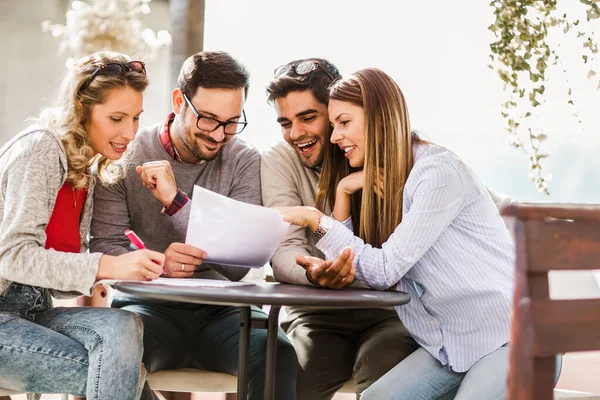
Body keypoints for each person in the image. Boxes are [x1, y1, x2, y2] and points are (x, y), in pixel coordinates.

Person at [277, 67, 562, 399]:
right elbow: (355, 268)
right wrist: (342, 193)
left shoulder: (436, 174)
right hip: (451, 348)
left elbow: (384, 270)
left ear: (380, 120)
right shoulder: (388, 180)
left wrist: (315, 218)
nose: (334, 136)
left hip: (513, 339)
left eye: (344, 123)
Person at [89, 51, 297, 400]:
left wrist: (176, 203)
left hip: (226, 313)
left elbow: (237, 266)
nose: (219, 135)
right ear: (178, 101)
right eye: (209, 120)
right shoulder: (126, 154)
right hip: (147, 307)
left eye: (232, 122)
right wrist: (156, 265)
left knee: (279, 354)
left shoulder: (244, 160)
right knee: (113, 352)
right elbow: (104, 246)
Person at [0, 51, 165, 399]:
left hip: (33, 312)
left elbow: (58, 287)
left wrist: (119, 271)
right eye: (116, 118)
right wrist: (107, 264)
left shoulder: (83, 170)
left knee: (123, 325)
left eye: (135, 118)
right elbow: (12, 257)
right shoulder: (40, 150)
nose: (130, 133)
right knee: (117, 372)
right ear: (81, 107)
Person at [262, 58, 418, 399]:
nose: (295, 134)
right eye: (285, 122)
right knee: (289, 379)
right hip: (314, 316)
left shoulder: (391, 155)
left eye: (308, 118)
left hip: (387, 313)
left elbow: (483, 204)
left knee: (386, 368)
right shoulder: (279, 159)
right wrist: (313, 273)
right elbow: (284, 249)